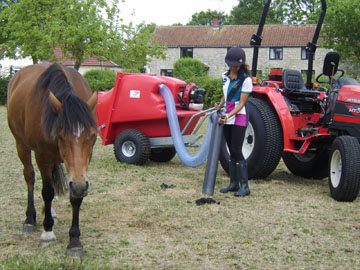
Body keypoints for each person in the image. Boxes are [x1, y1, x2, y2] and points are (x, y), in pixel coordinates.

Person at [215, 46, 252, 197]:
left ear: (241, 64)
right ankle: (233, 183)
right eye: (230, 64)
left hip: (238, 117)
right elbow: (226, 94)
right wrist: (220, 104)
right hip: (227, 116)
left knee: (237, 150)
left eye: (235, 65)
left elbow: (242, 103)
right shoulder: (225, 76)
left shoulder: (246, 80)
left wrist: (229, 115)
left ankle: (245, 186)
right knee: (231, 151)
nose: (232, 67)